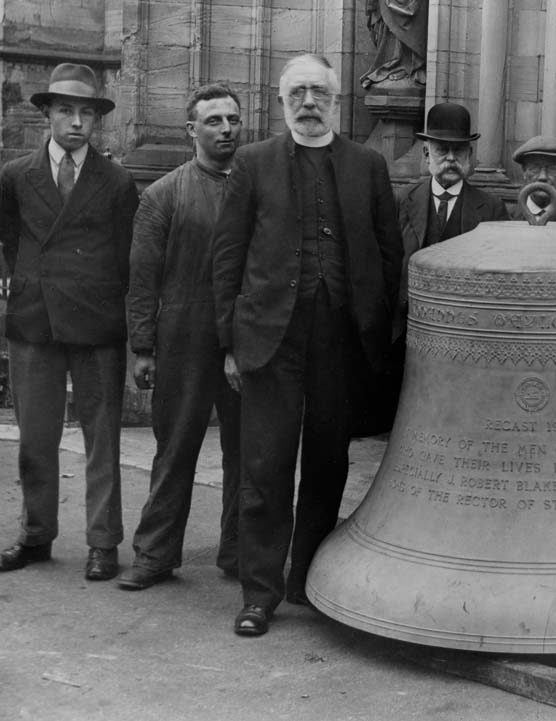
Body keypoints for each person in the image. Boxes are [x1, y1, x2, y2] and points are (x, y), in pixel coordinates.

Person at [212, 54, 403, 636]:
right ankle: (260, 592)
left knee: (327, 461)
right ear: (280, 101)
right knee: (265, 464)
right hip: (271, 339)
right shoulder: (252, 163)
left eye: (318, 91)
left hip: (339, 340)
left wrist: (375, 328)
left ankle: (307, 579)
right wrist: (229, 344)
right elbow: (227, 257)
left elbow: (390, 253)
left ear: (336, 100)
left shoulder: (368, 165)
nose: (308, 101)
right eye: (296, 92)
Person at [0, 63, 139, 580]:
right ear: (47, 114)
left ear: (96, 121)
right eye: (66, 110)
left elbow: (126, 253)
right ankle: (36, 535)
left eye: (86, 112)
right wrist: (21, 281)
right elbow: (9, 240)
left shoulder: (118, 181)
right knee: (35, 436)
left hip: (96, 321)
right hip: (35, 319)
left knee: (102, 437)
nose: (76, 121)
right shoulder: (15, 174)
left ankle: (103, 542)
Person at [117, 85, 244, 591]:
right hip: (183, 339)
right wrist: (142, 347)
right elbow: (142, 279)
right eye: (214, 121)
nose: (227, 129)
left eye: (233, 120)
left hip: (242, 340)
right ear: (192, 130)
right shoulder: (163, 194)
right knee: (175, 449)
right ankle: (154, 554)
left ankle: (238, 551)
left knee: (245, 450)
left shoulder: (255, 190)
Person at [395, 102, 508, 334]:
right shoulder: (402, 201)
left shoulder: (492, 209)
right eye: (441, 150)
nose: (450, 158)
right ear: (426, 154)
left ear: (469, 155)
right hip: (410, 326)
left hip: (467, 330)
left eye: (458, 150)